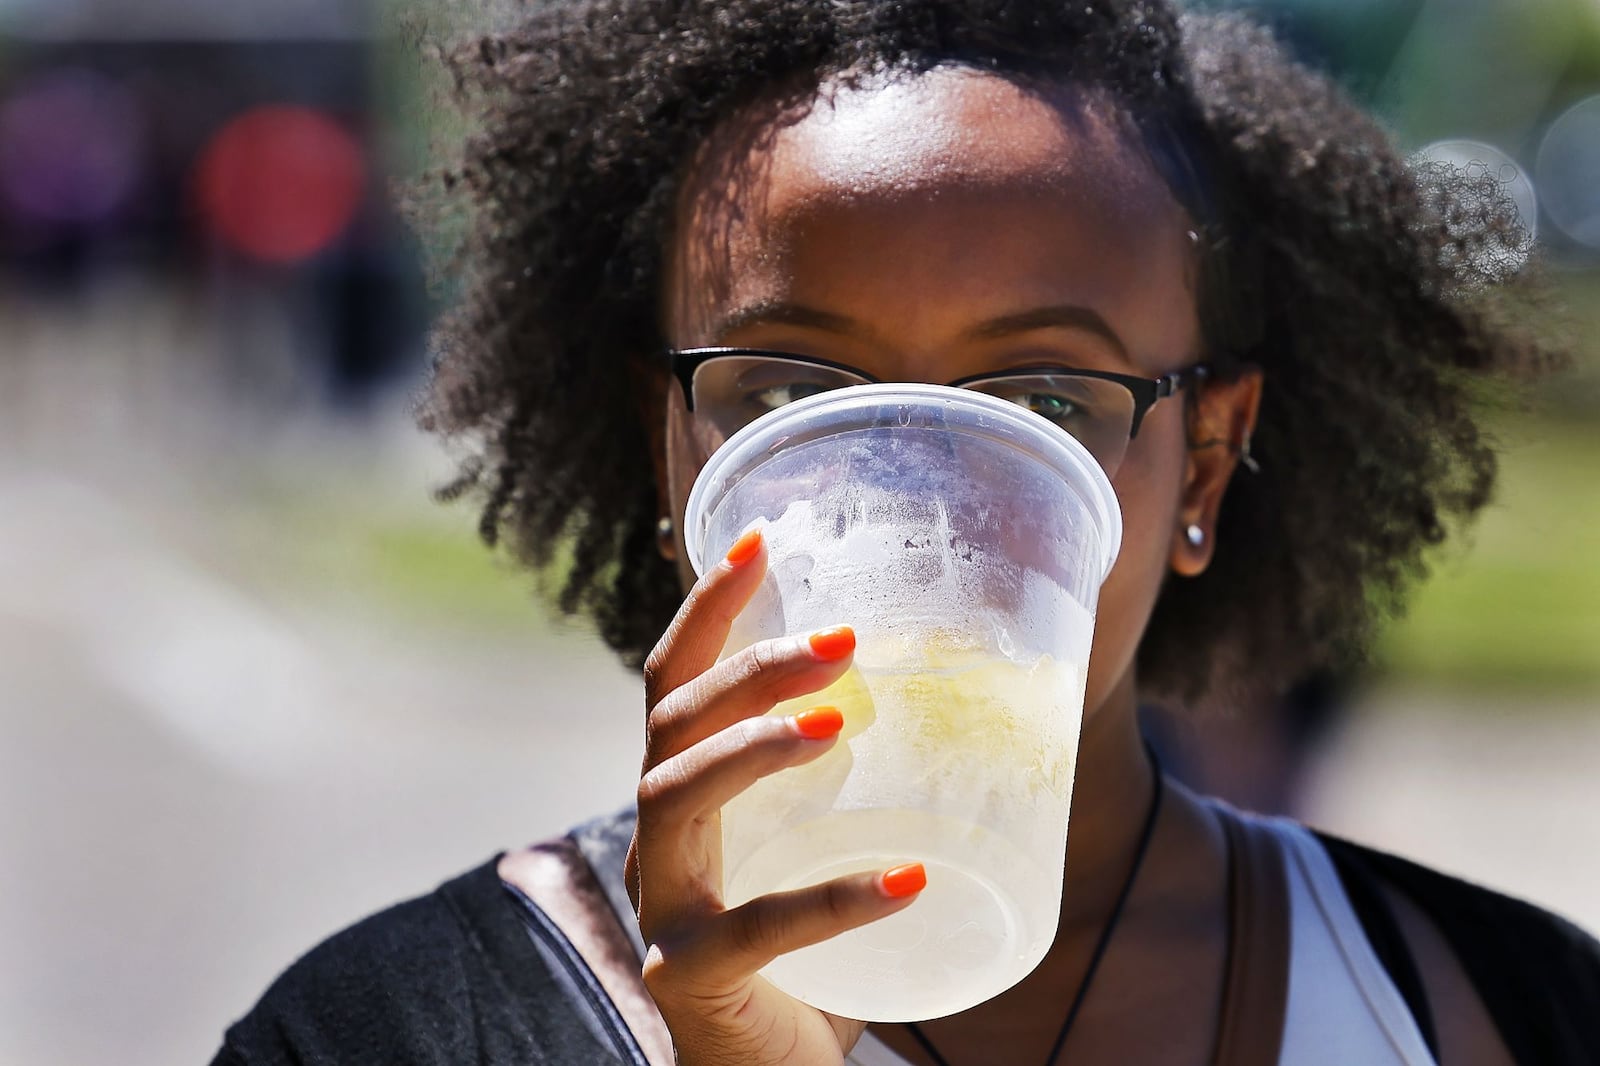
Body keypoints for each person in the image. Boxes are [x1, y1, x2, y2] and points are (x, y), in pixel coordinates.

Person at [211, 2, 1600, 1064]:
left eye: (1047, 395)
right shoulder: (386, 1031)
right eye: (792, 390)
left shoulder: (1498, 1012)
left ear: (1207, 463)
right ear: (670, 440)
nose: (918, 502)